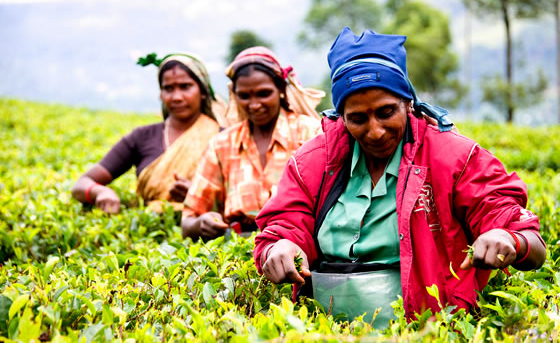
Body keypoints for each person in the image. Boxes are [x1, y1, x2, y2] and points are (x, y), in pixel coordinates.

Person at [253, 28, 546, 326]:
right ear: (341, 116)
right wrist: (282, 246)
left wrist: (508, 238)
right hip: (323, 328)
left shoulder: (452, 157)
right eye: (357, 118)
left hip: (427, 329)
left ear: (408, 102)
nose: (375, 130)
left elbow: (532, 244)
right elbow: (285, 223)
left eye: (386, 112)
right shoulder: (314, 162)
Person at [181, 47, 323, 240]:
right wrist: (202, 222)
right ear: (234, 95)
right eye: (245, 96)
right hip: (237, 250)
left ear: (281, 89)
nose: (254, 104)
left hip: (301, 243)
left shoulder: (311, 133)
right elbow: (188, 221)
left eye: (264, 94)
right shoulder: (222, 145)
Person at [72, 53, 222, 213]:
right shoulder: (142, 136)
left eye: (185, 86)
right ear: (161, 94)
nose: (177, 97)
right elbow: (82, 184)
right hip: (147, 228)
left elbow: (241, 201)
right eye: (168, 89)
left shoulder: (223, 138)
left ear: (203, 91)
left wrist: (198, 195)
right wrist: (101, 192)